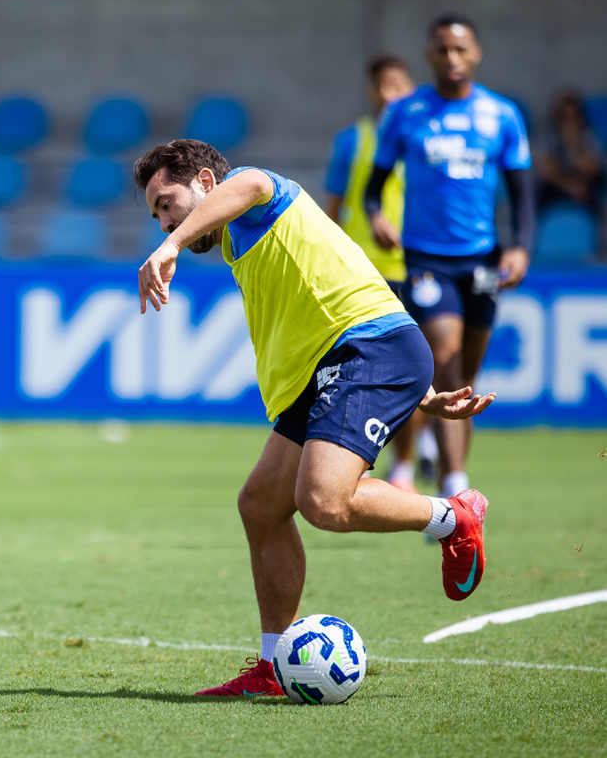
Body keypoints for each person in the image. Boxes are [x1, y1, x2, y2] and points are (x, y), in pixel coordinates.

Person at [134, 139, 495, 697]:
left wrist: (173, 245)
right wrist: (420, 394)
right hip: (334, 367)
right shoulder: (239, 239)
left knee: (324, 501)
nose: (163, 222)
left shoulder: (254, 192)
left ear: (206, 183)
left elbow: (251, 184)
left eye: (166, 203)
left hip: (362, 351)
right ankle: (276, 667)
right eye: (157, 215)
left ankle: (453, 516)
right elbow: (329, 292)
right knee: (261, 505)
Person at [364, 13, 536, 501]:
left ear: (476, 53)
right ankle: (455, 491)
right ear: (429, 56)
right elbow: (374, 187)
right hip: (426, 261)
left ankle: (449, 468)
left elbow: (521, 194)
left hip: (481, 260)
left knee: (466, 381)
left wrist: (520, 247)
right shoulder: (406, 113)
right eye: (443, 50)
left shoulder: (501, 115)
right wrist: (377, 216)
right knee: (446, 362)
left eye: (461, 49)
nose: (452, 58)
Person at [323, 54, 436, 492]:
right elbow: (332, 209)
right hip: (365, 274)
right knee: (372, 372)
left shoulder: (425, 142)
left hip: (421, 268)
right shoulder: (353, 141)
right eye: (383, 86)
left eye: (399, 86)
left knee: (423, 368)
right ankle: (401, 461)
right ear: (372, 91)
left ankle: (414, 456)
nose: (391, 94)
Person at [535, 88, 605, 258]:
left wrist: (573, 144)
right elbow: (546, 171)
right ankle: (532, 250)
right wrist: (569, 186)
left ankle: (600, 252)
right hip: (556, 189)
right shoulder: (547, 135)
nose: (568, 121)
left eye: (573, 117)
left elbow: (592, 168)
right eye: (564, 117)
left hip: (584, 188)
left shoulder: (588, 136)